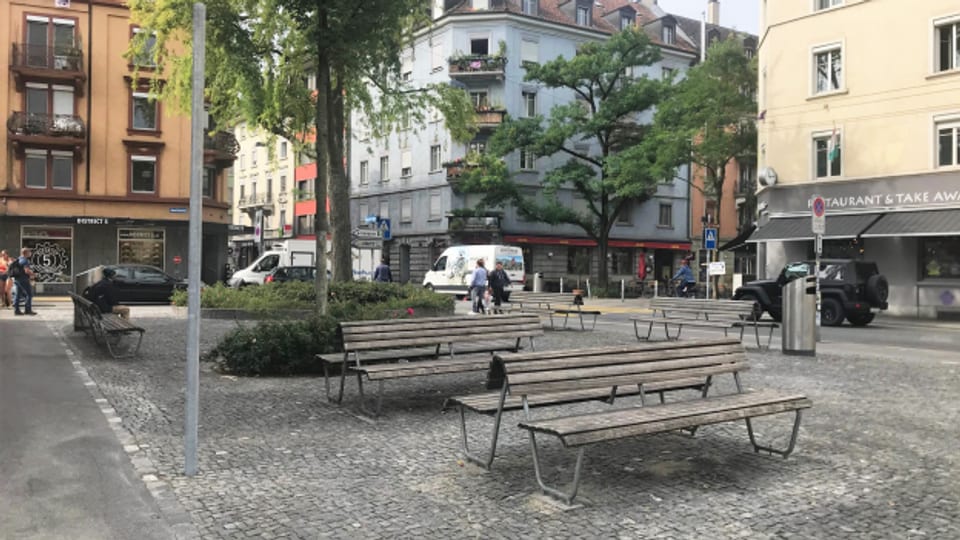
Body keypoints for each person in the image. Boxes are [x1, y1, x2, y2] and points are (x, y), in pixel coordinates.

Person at [11, 247, 37, 316]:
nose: (30, 253)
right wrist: (33, 274)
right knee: (29, 294)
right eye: (29, 252)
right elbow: (26, 271)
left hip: (17, 279)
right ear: (26, 253)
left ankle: (16, 310)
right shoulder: (25, 260)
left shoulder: (18, 259)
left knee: (17, 295)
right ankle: (28, 310)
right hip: (23, 280)